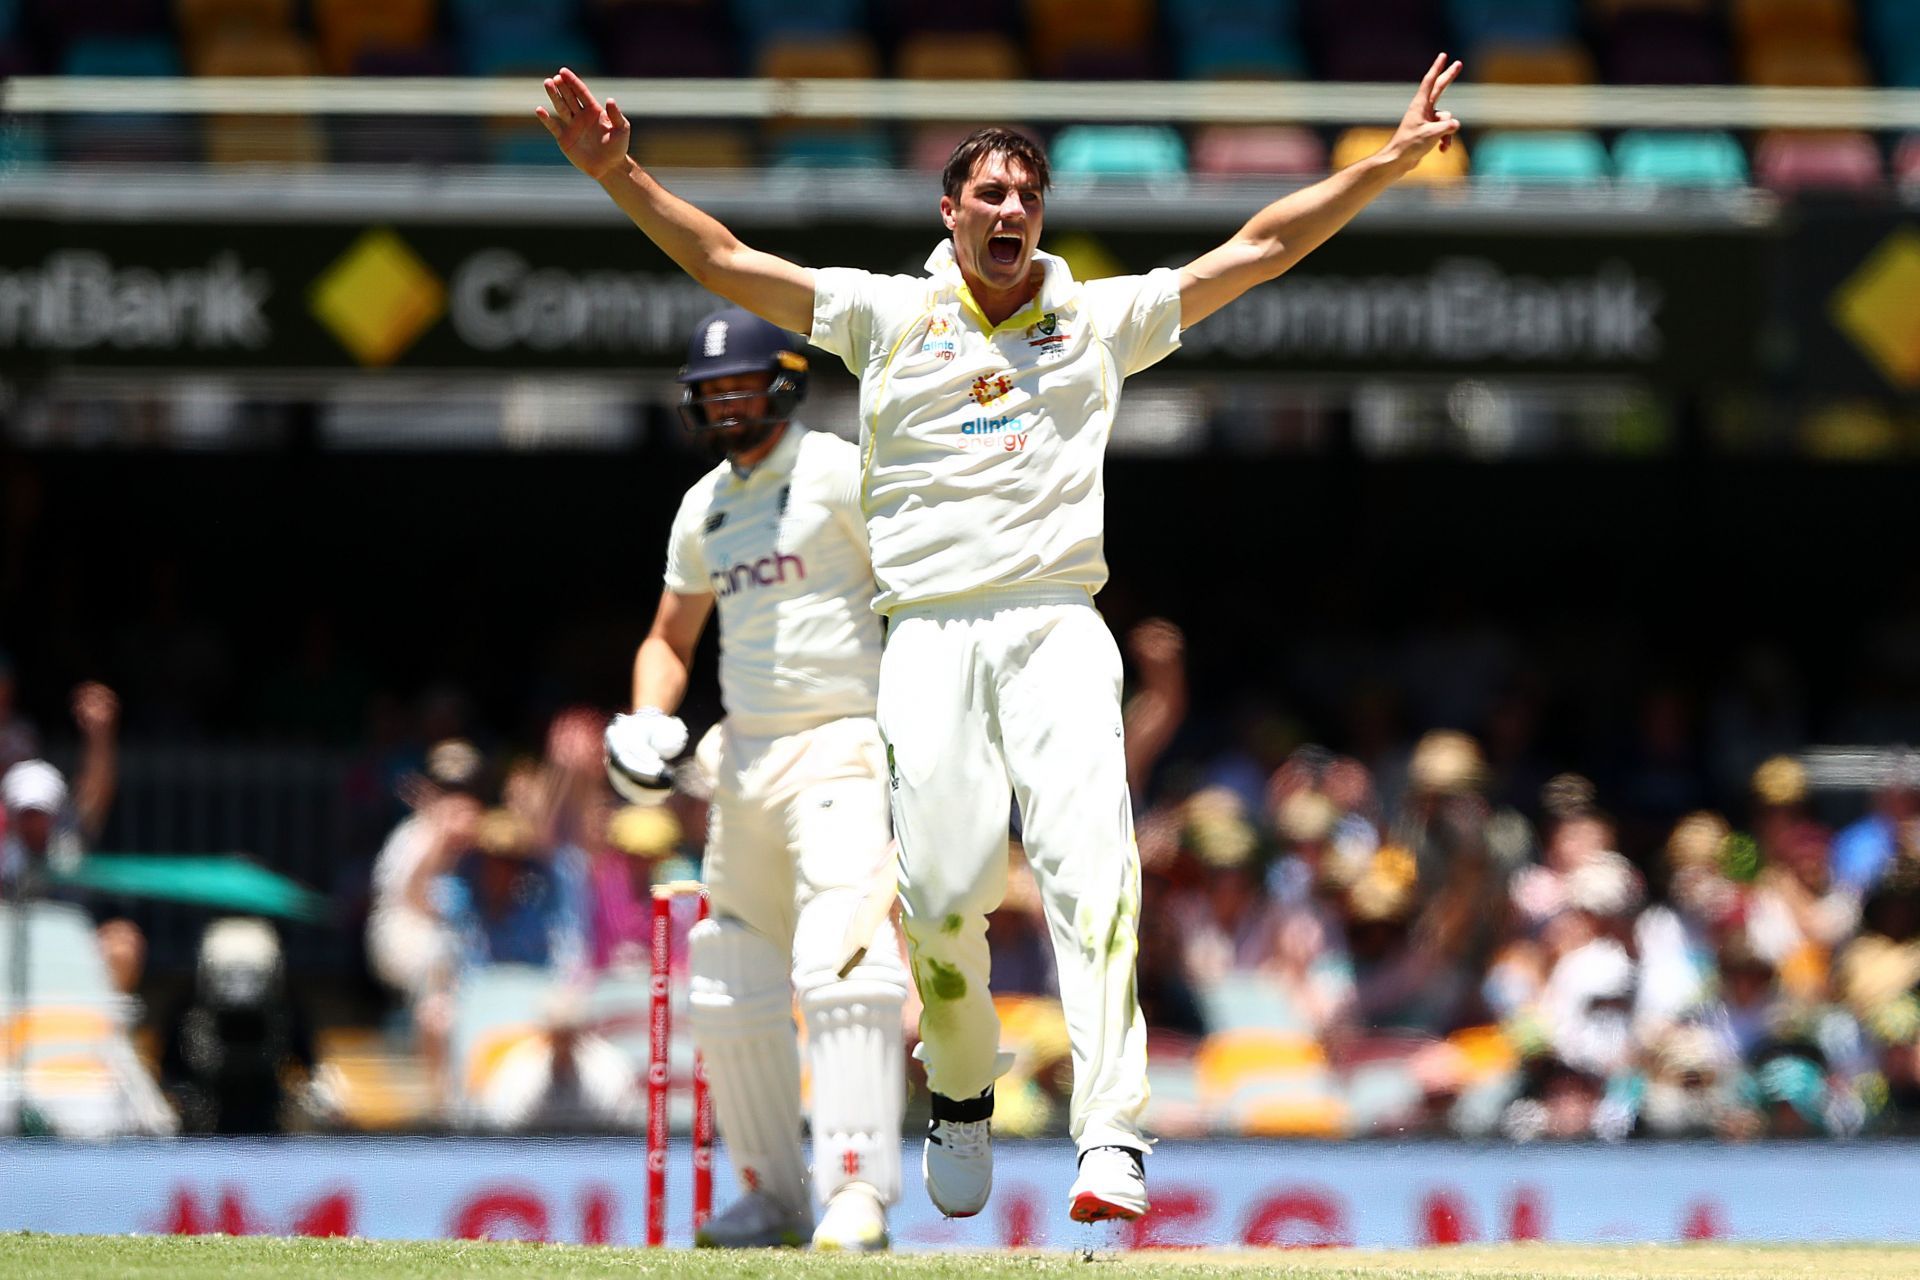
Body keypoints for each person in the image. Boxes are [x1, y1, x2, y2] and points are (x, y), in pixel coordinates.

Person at [543, 53, 1464, 1223]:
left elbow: (1260, 249)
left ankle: (1113, 1130)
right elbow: (729, 262)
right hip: (924, 636)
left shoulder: (1095, 319)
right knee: (937, 894)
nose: (1011, 210)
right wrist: (620, 175)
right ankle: (965, 1094)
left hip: (1057, 625)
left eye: (1027, 195)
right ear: (950, 213)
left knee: (1094, 869)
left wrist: (1379, 166)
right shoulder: (887, 317)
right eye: (989, 194)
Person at [600, 307, 908, 1251]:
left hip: (846, 744)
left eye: (743, 383)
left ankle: (855, 1193)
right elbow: (668, 637)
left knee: (841, 960)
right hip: (746, 761)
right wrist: (651, 717)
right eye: (713, 388)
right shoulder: (705, 508)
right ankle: (772, 1198)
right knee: (730, 977)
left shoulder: (842, 471)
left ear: (782, 381)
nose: (728, 400)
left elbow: (920, 599)